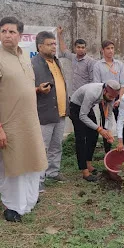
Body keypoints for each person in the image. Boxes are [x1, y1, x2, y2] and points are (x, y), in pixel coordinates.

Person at [0, 16, 47, 222]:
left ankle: (29, 199)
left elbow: (22, 86)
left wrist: (36, 90)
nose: (7, 35)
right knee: (14, 165)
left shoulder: (25, 56)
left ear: (20, 35)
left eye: (11, 31)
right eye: (3, 31)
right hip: (9, 123)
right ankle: (13, 206)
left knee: (32, 160)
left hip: (30, 121)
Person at [32, 31, 69, 192]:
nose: (54, 47)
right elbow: (24, 89)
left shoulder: (56, 61)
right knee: (42, 148)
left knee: (56, 145)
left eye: (55, 44)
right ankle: (38, 180)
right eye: (50, 44)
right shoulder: (33, 63)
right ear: (40, 46)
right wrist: (38, 90)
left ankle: (53, 172)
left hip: (60, 112)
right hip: (44, 113)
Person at [70, 80, 120, 181]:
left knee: (93, 135)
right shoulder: (92, 93)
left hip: (88, 107)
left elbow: (109, 115)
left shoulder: (112, 96)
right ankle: (85, 172)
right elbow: (82, 116)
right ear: (105, 91)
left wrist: (108, 130)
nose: (111, 99)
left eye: (113, 98)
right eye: (110, 97)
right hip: (76, 107)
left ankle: (88, 164)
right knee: (81, 138)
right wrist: (99, 129)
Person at [93, 40, 124, 153]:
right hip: (105, 99)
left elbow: (123, 84)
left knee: (122, 121)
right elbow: (97, 84)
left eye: (112, 48)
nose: (110, 50)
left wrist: (120, 99)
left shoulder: (119, 64)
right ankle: (108, 152)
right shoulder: (98, 65)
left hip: (118, 98)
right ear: (102, 50)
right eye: (108, 48)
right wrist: (105, 98)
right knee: (106, 125)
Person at [57, 26, 96, 94]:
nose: (81, 49)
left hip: (84, 93)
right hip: (73, 93)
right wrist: (60, 35)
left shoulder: (90, 61)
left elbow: (92, 80)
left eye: (83, 47)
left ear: (85, 49)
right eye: (78, 47)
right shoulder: (73, 57)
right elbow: (64, 50)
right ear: (75, 48)